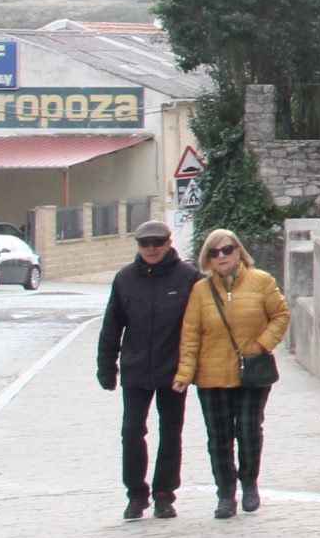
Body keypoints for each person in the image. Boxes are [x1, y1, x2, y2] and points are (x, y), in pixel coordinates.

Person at [173, 227, 288, 520]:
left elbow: (281, 315)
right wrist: (185, 374)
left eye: (227, 249)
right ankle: (225, 493)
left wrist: (261, 345)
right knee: (219, 437)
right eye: (214, 252)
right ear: (207, 259)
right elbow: (190, 335)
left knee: (249, 431)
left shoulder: (261, 281)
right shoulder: (200, 291)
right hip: (211, 376)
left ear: (238, 252)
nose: (221, 256)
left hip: (251, 372)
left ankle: (249, 483)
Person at [97, 219, 202, 520]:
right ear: (139, 247)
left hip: (174, 372)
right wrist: (107, 367)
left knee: (170, 432)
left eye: (158, 243)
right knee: (131, 431)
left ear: (169, 244)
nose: (152, 249)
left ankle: (164, 494)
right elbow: (111, 326)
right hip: (136, 370)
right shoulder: (125, 279)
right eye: (146, 244)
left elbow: (200, 327)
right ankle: (136, 494)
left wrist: (193, 370)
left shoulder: (189, 278)